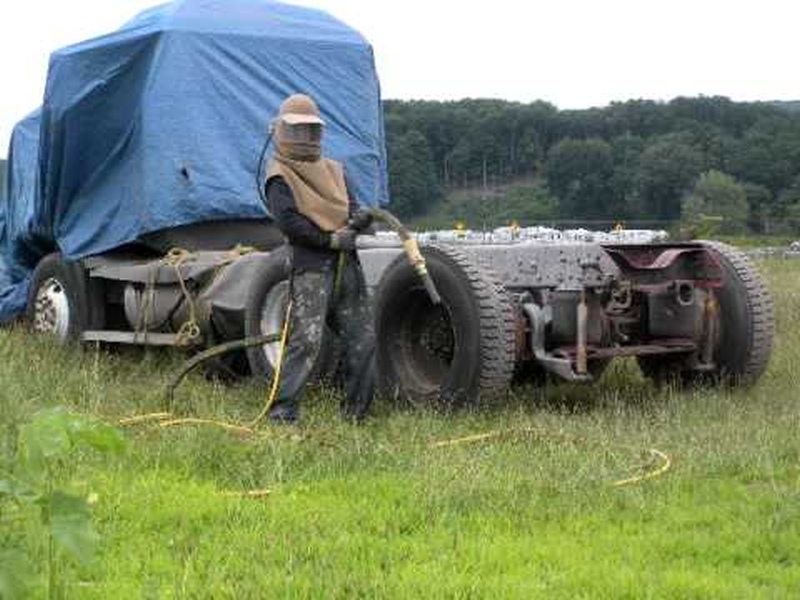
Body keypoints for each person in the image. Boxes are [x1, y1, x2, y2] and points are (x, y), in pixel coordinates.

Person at [263, 93, 375, 424]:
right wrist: (329, 239)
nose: (304, 138)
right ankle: (282, 416)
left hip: (347, 266)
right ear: (281, 131)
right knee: (305, 343)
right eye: (297, 131)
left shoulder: (335, 170)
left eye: (310, 131)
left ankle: (356, 416)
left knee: (363, 339)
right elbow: (290, 223)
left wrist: (358, 222)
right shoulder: (278, 175)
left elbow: (351, 206)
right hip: (311, 268)